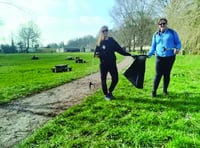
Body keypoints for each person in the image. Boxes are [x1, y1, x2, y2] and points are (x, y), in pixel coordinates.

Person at [94, 25, 133, 100]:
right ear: (101, 32)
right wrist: (99, 54)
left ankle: (110, 91)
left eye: (106, 30)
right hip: (103, 64)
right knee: (103, 79)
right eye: (103, 31)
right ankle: (106, 95)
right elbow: (96, 53)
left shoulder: (111, 40)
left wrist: (129, 54)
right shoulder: (99, 42)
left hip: (112, 63)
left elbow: (119, 49)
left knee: (115, 78)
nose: (105, 32)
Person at [147, 18, 181, 97]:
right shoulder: (155, 35)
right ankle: (154, 91)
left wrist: (177, 48)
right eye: (160, 24)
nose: (162, 25)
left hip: (170, 57)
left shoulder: (172, 33)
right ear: (158, 25)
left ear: (166, 24)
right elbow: (153, 46)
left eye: (164, 23)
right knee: (158, 74)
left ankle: (165, 90)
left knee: (166, 74)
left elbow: (178, 43)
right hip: (159, 57)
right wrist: (148, 54)